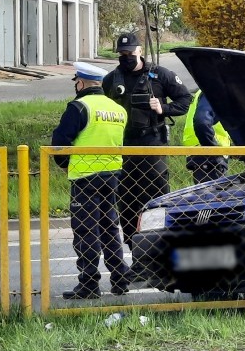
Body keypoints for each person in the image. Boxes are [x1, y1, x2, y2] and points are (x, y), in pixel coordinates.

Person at [102, 33, 192, 249]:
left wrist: (163, 109)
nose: (126, 58)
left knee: (156, 200)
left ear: (140, 51)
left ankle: (161, 254)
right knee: (127, 204)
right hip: (123, 148)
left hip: (152, 146)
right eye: (122, 54)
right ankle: (136, 255)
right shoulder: (112, 80)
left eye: (130, 53)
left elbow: (185, 99)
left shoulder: (160, 75)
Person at [51, 62, 130, 299]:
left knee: (86, 231)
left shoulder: (79, 106)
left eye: (76, 82)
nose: (76, 86)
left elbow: (59, 143)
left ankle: (88, 284)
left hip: (85, 179)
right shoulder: (117, 109)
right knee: (109, 228)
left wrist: (66, 165)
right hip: (112, 176)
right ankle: (119, 278)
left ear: (82, 83)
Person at [183, 90, 231, 184]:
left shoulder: (202, 91)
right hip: (209, 150)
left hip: (200, 148)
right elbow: (202, 123)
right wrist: (214, 150)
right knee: (216, 195)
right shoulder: (213, 92)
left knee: (207, 193)